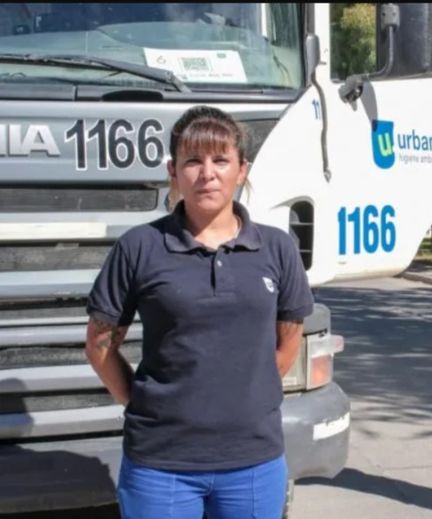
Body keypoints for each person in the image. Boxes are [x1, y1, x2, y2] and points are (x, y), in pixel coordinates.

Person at [84, 105, 314, 519]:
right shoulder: (139, 247)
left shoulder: (277, 249)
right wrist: (138, 403)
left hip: (253, 460)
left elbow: (290, 337)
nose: (207, 173)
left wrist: (247, 392)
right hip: (160, 464)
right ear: (173, 171)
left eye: (220, 160)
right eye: (193, 160)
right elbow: (100, 344)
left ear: (241, 170)